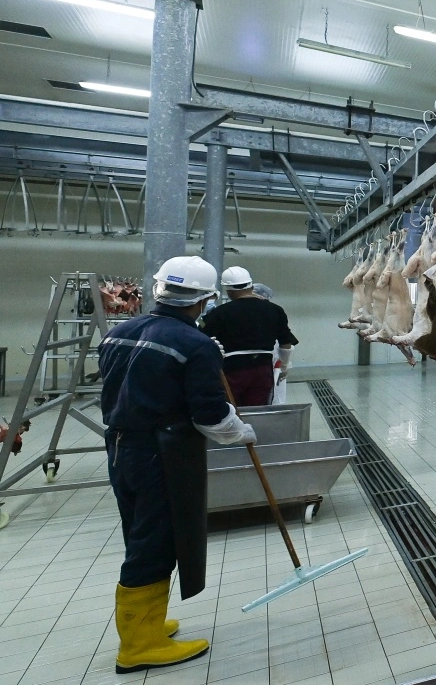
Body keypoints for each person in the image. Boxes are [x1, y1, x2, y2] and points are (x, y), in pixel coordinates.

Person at [98, 256, 257, 673]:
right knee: (158, 539)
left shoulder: (118, 332)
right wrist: (239, 431)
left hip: (119, 446)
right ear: (204, 301)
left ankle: (148, 622)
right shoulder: (195, 345)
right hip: (159, 453)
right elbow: (209, 416)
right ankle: (137, 645)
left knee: (141, 533)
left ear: (158, 290)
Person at [199, 266, 298, 407]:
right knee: (257, 409)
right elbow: (286, 344)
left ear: (229, 290)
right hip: (263, 370)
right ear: (250, 285)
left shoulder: (220, 313)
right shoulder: (276, 310)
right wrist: (285, 366)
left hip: (233, 370)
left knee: (232, 410)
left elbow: (200, 338)